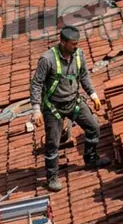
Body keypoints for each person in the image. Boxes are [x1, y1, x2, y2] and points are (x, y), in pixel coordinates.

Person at [30, 26, 109, 192]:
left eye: (77, 43)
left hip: (74, 102)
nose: (76, 46)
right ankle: (52, 177)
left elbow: (84, 76)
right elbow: (36, 84)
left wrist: (93, 94)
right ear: (63, 42)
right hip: (54, 107)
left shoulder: (79, 55)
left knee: (93, 127)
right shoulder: (47, 59)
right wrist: (36, 109)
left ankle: (91, 158)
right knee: (53, 143)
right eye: (73, 44)